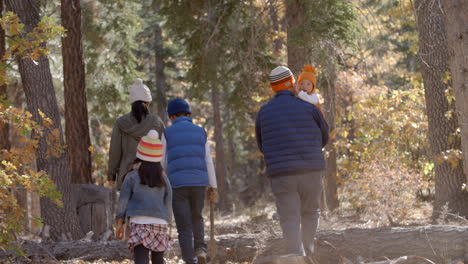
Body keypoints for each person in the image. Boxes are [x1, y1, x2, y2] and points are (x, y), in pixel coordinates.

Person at [255, 66, 329, 261]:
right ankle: (309, 253)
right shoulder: (309, 107)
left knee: (289, 218)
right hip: (311, 171)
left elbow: (262, 144)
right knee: (311, 212)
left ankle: (296, 257)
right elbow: (325, 137)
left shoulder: (263, 112)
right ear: (291, 83)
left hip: (282, 174)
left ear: (274, 88)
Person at [161, 98, 217, 264]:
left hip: (177, 184)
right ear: (189, 114)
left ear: (172, 116)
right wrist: (213, 186)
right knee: (197, 217)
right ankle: (200, 248)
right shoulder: (200, 131)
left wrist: (162, 181)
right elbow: (208, 160)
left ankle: (189, 259)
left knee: (184, 225)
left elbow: (162, 160)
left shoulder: (167, 133)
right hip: (199, 183)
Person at [115, 130, 173, 264]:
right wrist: (168, 220)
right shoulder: (164, 178)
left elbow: (123, 200)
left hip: (140, 222)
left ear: (139, 155)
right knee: (158, 260)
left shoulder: (131, 177)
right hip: (160, 222)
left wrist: (120, 222)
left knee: (141, 258)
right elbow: (169, 199)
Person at [108, 78, 165, 189]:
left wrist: (111, 176)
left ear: (131, 103)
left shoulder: (121, 123)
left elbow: (114, 152)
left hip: (126, 175)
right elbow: (164, 149)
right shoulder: (156, 122)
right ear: (148, 103)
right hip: (152, 176)